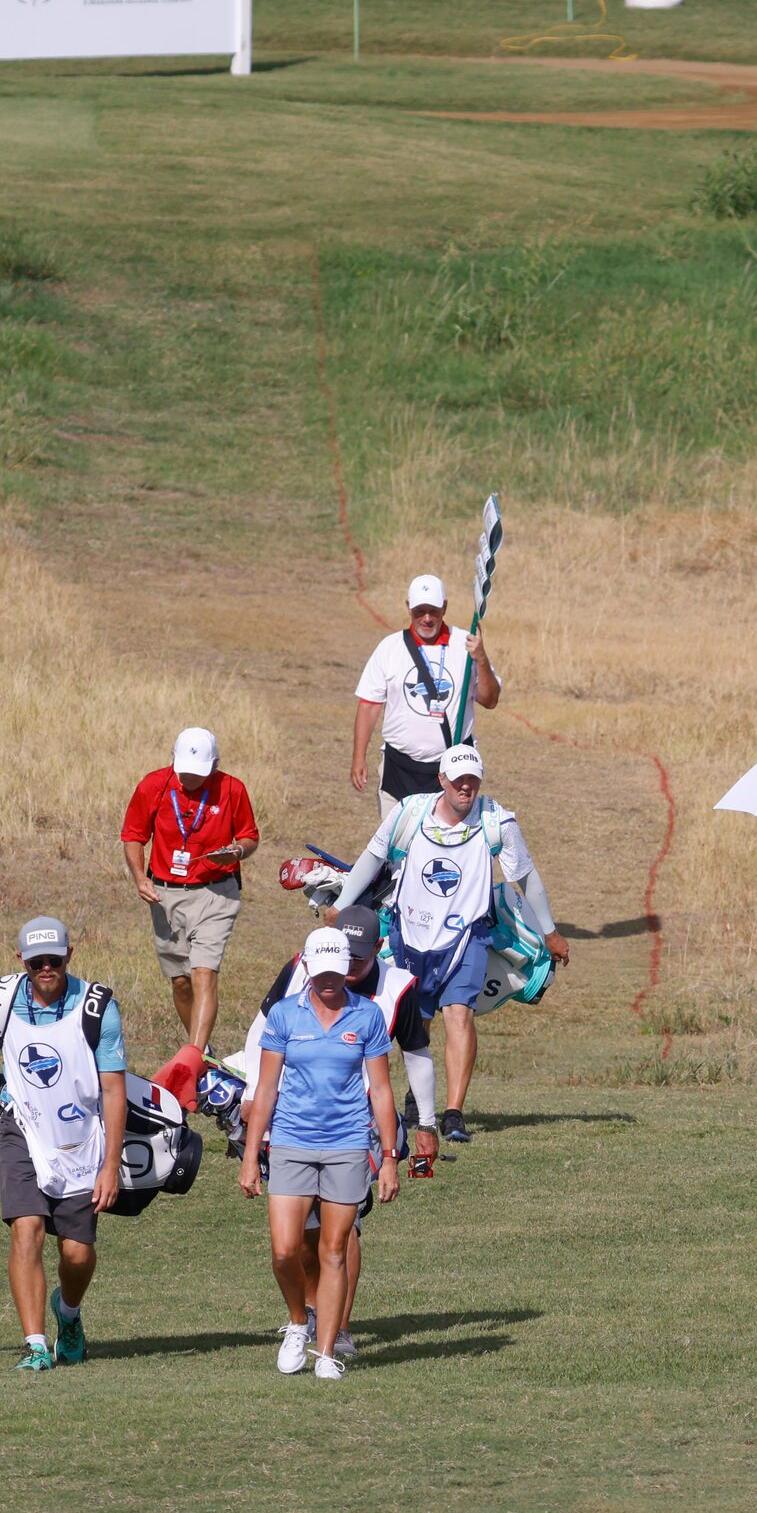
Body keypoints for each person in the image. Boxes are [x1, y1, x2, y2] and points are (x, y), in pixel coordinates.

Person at [227, 905, 439, 1360]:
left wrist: (426, 1123)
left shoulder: (394, 989)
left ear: (375, 950)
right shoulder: (299, 975)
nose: (347, 970)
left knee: (342, 1236)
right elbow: (263, 1029)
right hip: (295, 1128)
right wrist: (250, 1096)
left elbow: (414, 1056)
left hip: (355, 1129)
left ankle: (338, 1329)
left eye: (358, 959)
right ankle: (305, 1314)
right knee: (298, 1239)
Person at [333, 742, 566, 1144]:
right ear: (442, 780)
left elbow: (525, 877)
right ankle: (416, 1099)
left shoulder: (497, 821)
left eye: (472, 781)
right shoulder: (410, 812)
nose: (465, 788)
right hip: (411, 936)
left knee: (459, 1014)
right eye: (458, 780)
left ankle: (454, 1113)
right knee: (415, 1021)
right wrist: (340, 906)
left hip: (467, 935)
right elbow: (373, 856)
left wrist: (549, 931)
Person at [0, 916, 127, 1370]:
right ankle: (35, 1345)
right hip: (22, 1128)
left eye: (54, 960)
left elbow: (113, 1089)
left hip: (79, 1139)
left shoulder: (97, 1008)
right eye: (36, 963)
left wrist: (111, 1165)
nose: (46, 969)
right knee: (26, 1227)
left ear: (69, 955)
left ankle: (68, 1314)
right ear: (22, 961)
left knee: (76, 1252)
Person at [121, 726, 259, 1054]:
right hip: (165, 895)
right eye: (184, 771)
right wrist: (140, 877)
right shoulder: (154, 785)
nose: (190, 778)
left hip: (216, 894)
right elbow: (133, 835)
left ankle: (193, 1059)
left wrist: (237, 851)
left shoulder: (232, 789)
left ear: (216, 764)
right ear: (173, 760)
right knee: (181, 981)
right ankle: (204, 1050)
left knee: (202, 972)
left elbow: (249, 837)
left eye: (199, 773)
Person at [351, 574, 500, 824]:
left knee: (446, 848)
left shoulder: (466, 644)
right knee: (397, 851)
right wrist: (359, 757)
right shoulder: (390, 648)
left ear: (445, 607)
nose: (427, 618)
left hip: (451, 771)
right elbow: (369, 705)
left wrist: (482, 659)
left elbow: (490, 700)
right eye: (420, 611)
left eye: (433, 610)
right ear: (408, 606)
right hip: (398, 770)